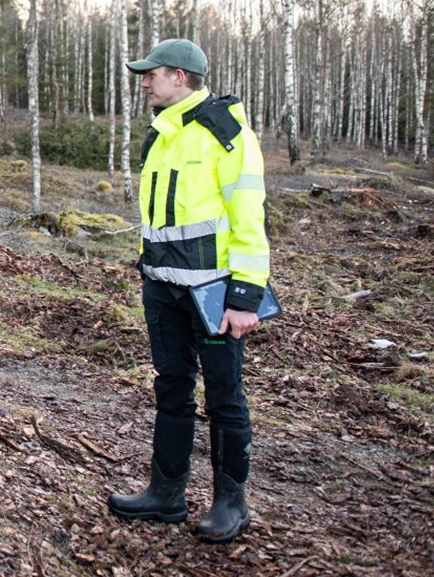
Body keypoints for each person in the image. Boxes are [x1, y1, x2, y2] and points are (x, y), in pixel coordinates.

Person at [108, 38, 270, 544]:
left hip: (215, 294)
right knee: (171, 386)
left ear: (180, 77)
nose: (144, 82)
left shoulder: (225, 133)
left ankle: (230, 503)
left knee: (224, 396)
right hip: (163, 288)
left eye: (151, 73)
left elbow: (249, 216)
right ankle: (166, 493)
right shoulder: (159, 136)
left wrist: (245, 297)